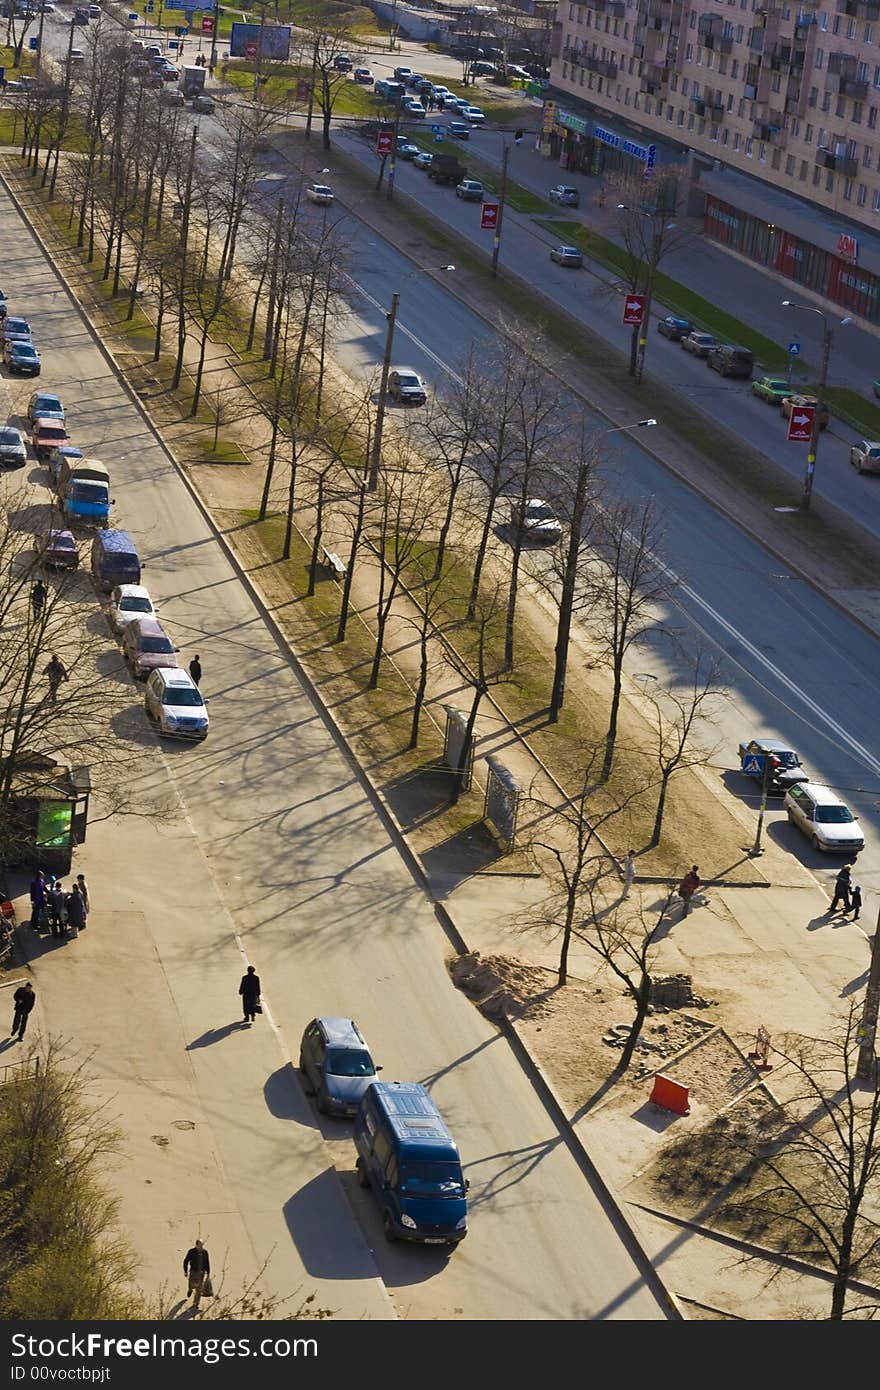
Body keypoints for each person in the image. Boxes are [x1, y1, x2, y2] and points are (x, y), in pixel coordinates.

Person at [183, 1239, 210, 1307]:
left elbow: (207, 1262)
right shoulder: (191, 1252)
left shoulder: (205, 1252)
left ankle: (196, 1303)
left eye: (202, 1244)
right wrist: (185, 1271)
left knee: (199, 1288)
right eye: (200, 1245)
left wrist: (208, 1272)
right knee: (192, 1284)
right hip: (193, 1272)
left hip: (201, 1272)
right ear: (197, 1245)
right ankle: (190, 1289)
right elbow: (186, 1261)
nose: (201, 1246)